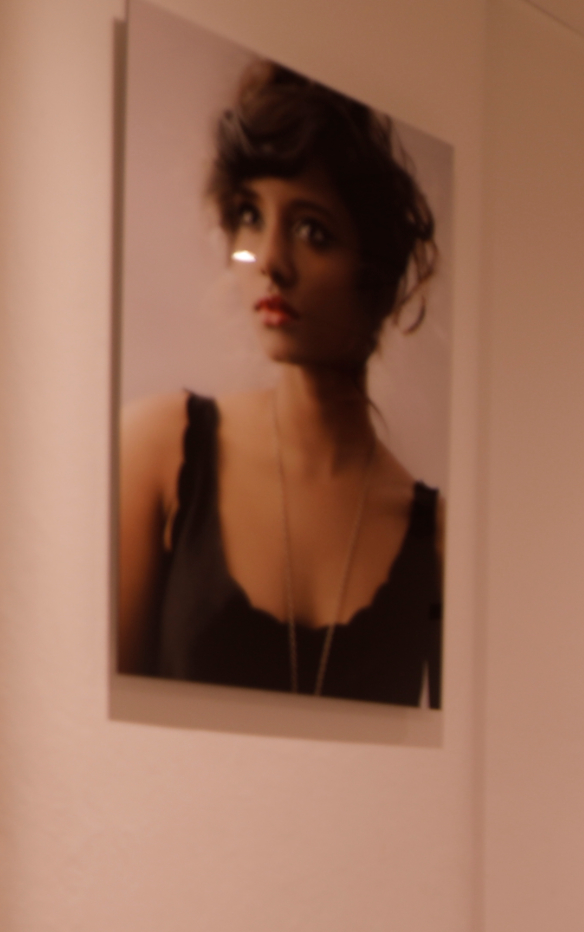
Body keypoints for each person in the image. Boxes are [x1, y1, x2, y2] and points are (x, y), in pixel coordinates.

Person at [118, 60, 443, 707]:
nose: (268, 260)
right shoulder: (160, 451)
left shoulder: (435, 541)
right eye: (250, 216)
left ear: (374, 272)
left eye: (311, 230)